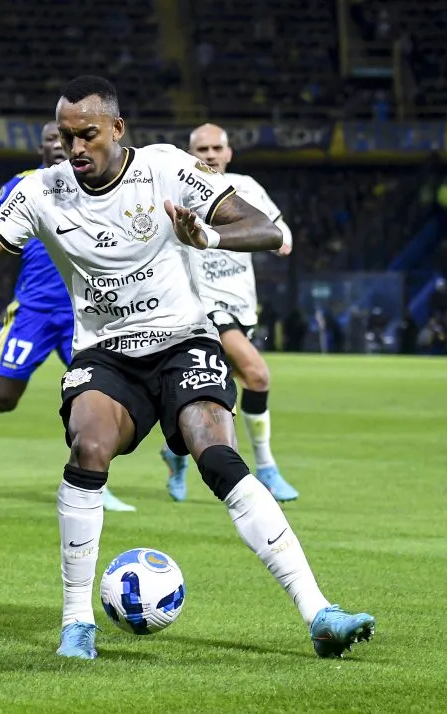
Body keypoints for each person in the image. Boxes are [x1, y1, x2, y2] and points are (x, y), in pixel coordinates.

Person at [0, 76, 374, 660]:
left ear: (117, 128)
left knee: (215, 451)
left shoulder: (165, 168)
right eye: (65, 136)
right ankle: (77, 622)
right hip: (106, 355)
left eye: (87, 134)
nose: (75, 148)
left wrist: (206, 234)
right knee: (88, 446)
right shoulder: (40, 191)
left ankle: (318, 612)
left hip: (184, 341)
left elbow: (267, 228)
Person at [0, 121, 136, 512]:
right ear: (41, 150)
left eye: (66, 139)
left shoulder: (102, 182)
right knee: (3, 399)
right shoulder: (25, 185)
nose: (59, 146)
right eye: (51, 140)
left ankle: (94, 481)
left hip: (83, 314)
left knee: (100, 398)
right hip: (34, 312)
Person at [160, 123, 299, 503]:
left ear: (229, 152)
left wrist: (281, 240)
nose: (209, 155)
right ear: (190, 154)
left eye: (216, 147)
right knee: (257, 375)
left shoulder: (247, 188)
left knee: (221, 390)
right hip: (200, 308)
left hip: (242, 306)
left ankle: (176, 452)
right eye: (201, 149)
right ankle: (266, 468)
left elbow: (278, 228)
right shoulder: (175, 191)